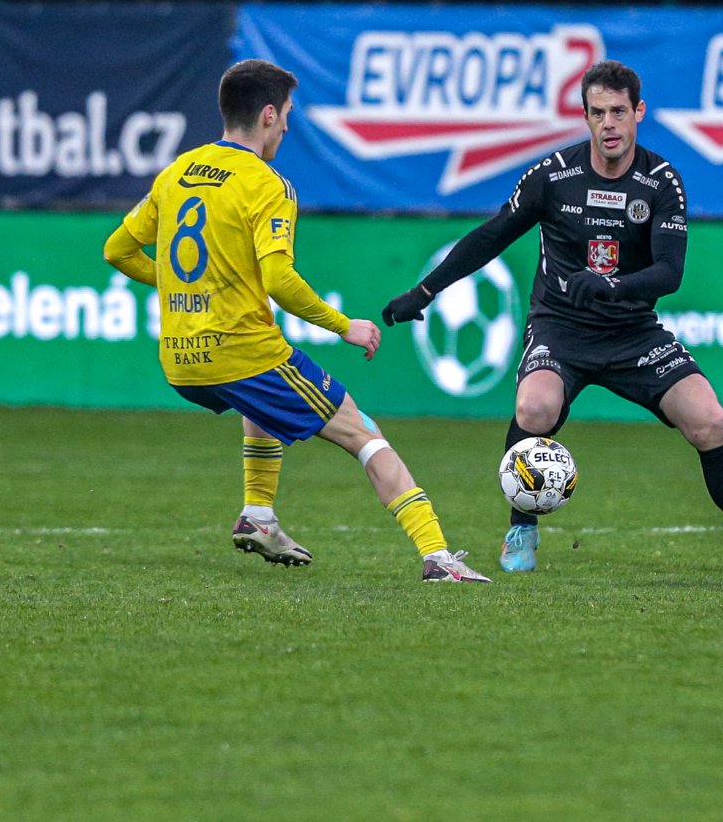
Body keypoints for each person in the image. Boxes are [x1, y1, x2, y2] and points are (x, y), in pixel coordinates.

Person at [380, 60, 723, 577]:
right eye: (598, 112)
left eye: (618, 112)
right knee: (534, 408)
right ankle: (522, 529)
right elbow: (492, 235)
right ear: (585, 116)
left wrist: (612, 286)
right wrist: (424, 291)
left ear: (638, 112)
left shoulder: (660, 181)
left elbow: (670, 272)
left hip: (633, 333)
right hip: (560, 327)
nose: (609, 124)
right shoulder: (553, 175)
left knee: (711, 422)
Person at [103, 59, 489, 583]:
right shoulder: (268, 185)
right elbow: (279, 279)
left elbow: (118, 249)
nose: (287, 125)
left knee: (258, 401)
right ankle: (438, 557)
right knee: (363, 432)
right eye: (286, 113)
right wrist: (343, 325)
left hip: (181, 360)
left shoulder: (178, 172)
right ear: (268, 114)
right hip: (241, 351)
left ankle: (258, 515)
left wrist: (186, 287)